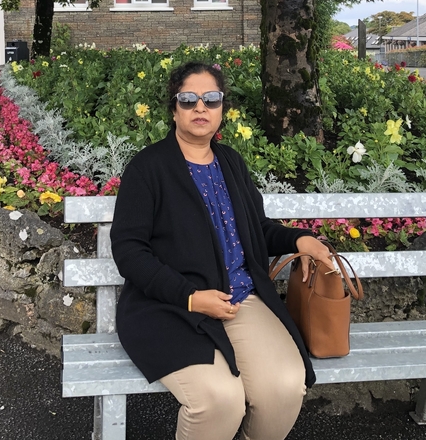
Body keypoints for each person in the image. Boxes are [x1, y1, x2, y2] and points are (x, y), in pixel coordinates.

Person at [110, 61, 335, 440]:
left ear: (222, 110)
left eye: (211, 99)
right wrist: (191, 298)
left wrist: (300, 239)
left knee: (284, 387)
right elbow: (129, 251)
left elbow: (256, 230)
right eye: (189, 99)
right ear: (173, 108)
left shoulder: (230, 161)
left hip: (239, 299)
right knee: (220, 400)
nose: (201, 107)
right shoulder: (148, 168)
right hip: (170, 307)